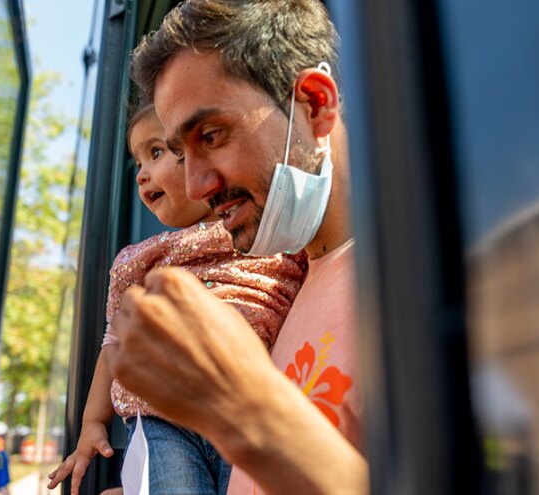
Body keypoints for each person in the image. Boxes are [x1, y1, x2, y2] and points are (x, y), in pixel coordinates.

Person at [106, 1, 369, 494]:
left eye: (212, 135)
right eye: (181, 154)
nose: (197, 185)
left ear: (314, 105)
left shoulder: (423, 283)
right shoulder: (289, 290)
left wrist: (244, 409)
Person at [46, 105, 307, 494]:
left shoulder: (265, 234)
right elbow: (114, 341)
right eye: (137, 161)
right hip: (161, 416)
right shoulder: (142, 258)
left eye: (155, 152)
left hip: (249, 408)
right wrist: (92, 422)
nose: (141, 174)